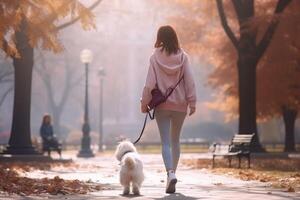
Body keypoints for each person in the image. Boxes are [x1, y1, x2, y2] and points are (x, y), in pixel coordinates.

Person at [141, 25, 197, 193]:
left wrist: (145, 103)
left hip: (162, 106)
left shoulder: (154, 57)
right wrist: (192, 102)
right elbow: (190, 81)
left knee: (165, 141)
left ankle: (170, 173)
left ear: (160, 38)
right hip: (180, 105)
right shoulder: (183, 57)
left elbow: (149, 83)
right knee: (175, 141)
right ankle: (172, 175)